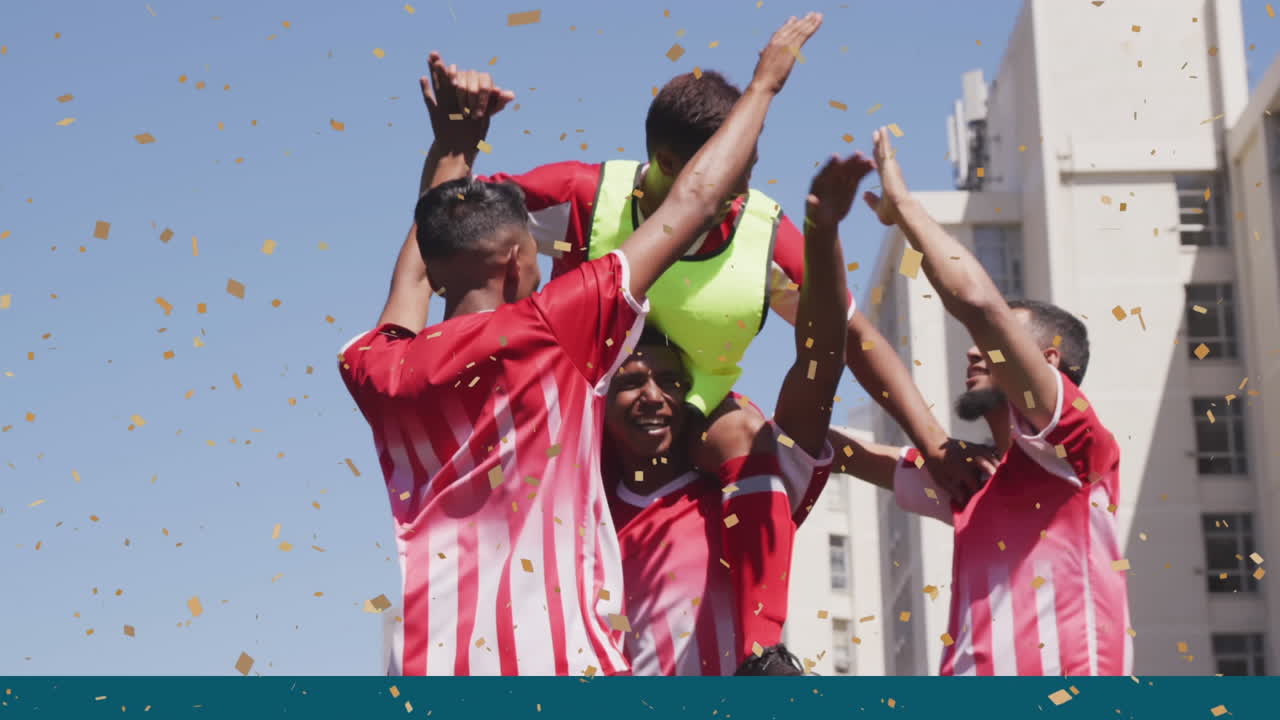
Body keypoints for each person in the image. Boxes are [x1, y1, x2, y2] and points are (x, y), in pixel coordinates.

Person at [337, 15, 824, 676]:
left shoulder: (375, 365)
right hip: (559, 667)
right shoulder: (555, 334)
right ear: (516, 263)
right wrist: (764, 86)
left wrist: (453, 148)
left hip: (434, 667)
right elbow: (696, 200)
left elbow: (419, 262)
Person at [474, 51, 983, 674]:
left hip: (701, 420)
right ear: (667, 165)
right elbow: (462, 217)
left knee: (751, 432)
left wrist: (930, 443)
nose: (742, 188)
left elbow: (852, 343)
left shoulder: (766, 235)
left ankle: (761, 653)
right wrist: (460, 142)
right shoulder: (588, 195)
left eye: (752, 163)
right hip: (582, 422)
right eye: (729, 168)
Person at [836, 126, 1131, 676]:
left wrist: (904, 209)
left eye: (998, 346)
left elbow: (976, 302)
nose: (974, 353)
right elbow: (838, 449)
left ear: (1049, 367)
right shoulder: (968, 478)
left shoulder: (1078, 452)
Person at [602, 150, 870, 674]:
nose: (653, 396)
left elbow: (821, 361)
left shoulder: (748, 486)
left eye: (671, 382)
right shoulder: (579, 515)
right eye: (631, 383)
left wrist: (821, 235)